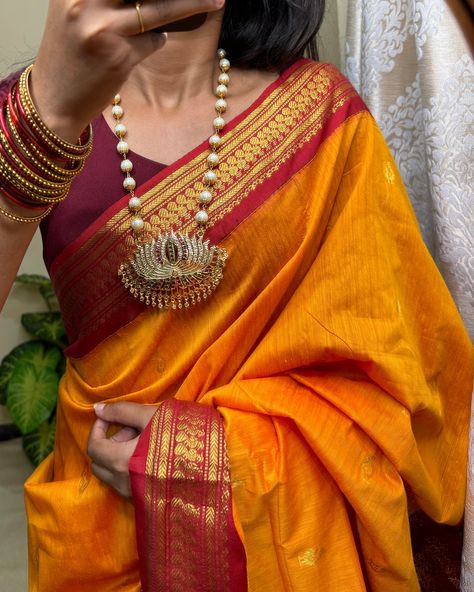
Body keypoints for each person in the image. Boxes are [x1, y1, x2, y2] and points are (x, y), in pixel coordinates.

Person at [0, 1, 471, 590]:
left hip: (276, 544)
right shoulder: (31, 108)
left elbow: (404, 378)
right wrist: (47, 111)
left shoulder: (320, 115)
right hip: (97, 535)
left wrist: (215, 462)